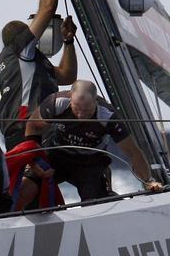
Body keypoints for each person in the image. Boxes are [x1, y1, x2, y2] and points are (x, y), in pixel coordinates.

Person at [17, 80, 163, 205]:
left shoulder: (108, 116)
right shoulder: (57, 102)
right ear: (70, 97)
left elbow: (133, 152)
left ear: (96, 101)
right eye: (76, 109)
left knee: (96, 204)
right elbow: (33, 125)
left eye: (87, 110)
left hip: (89, 163)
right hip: (56, 155)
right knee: (24, 188)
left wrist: (148, 180)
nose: (81, 115)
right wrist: (34, 162)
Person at [0, 0, 77, 150]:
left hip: (38, 130)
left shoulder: (31, 62)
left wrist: (68, 41)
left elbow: (67, 76)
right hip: (25, 131)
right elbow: (47, 9)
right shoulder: (18, 51)